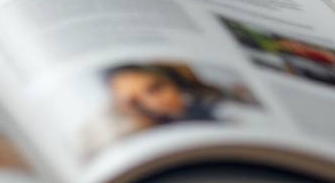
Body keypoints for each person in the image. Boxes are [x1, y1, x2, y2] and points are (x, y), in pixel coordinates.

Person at [80, 64, 227, 157]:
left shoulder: (218, 103)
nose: (153, 103)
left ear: (171, 81)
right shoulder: (141, 134)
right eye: (135, 102)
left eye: (155, 88)